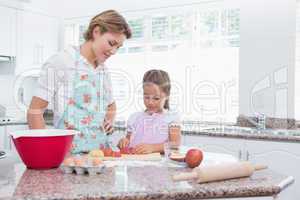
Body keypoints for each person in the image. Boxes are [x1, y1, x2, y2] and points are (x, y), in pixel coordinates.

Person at [27, 10, 132, 154]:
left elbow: (111, 104)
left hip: (101, 157)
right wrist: (46, 151)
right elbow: (35, 111)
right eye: (111, 43)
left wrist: (109, 121)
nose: (113, 51)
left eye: (118, 47)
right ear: (96, 31)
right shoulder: (62, 61)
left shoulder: (103, 71)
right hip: (68, 157)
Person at [118, 69, 181, 154]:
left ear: (167, 96)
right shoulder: (134, 118)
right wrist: (123, 142)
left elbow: (175, 146)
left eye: (156, 98)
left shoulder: (172, 118)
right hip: (133, 165)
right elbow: (128, 141)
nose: (150, 102)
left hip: (159, 166)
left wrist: (153, 148)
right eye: (146, 97)